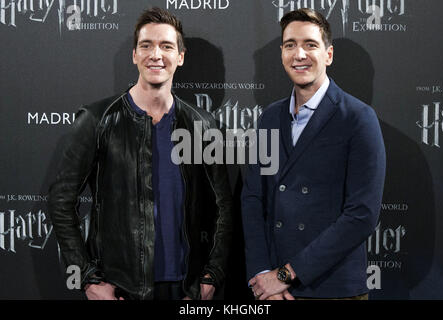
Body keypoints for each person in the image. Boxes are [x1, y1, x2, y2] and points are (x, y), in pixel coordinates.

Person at [48, 7, 233, 300]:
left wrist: (212, 275)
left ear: (180, 57)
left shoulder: (203, 125)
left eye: (166, 46)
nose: (155, 54)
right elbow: (61, 201)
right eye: (146, 45)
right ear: (135, 55)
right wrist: (87, 277)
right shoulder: (98, 119)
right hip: (121, 289)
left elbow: (224, 206)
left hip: (186, 288)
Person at [241, 8, 386, 300]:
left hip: (332, 289)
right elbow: (254, 198)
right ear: (282, 54)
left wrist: (286, 274)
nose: (299, 54)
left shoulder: (358, 118)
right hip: (272, 290)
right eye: (290, 45)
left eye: (310, 44)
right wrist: (261, 274)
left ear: (328, 55)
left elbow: (362, 215)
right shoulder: (270, 118)